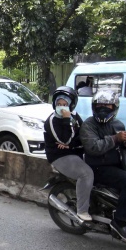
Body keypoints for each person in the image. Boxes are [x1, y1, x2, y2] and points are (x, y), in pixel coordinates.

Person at [80, 89, 126, 242]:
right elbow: (93, 147)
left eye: (107, 106)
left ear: (114, 108)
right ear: (94, 106)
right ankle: (119, 222)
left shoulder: (118, 124)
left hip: (118, 165)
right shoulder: (88, 125)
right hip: (98, 167)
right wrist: (115, 138)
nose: (103, 108)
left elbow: (123, 148)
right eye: (99, 105)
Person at [44, 86, 94, 221]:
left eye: (65, 104)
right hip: (60, 156)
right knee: (86, 174)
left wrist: (72, 144)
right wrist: (67, 121)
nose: (61, 107)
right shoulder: (52, 121)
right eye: (59, 104)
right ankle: (82, 211)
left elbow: (82, 135)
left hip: (74, 151)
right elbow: (64, 140)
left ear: (71, 105)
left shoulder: (75, 116)